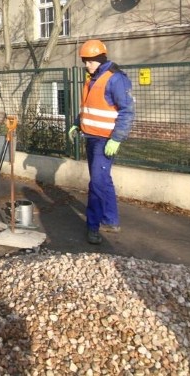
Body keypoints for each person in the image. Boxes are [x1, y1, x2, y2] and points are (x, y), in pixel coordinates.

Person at [68, 39, 135, 245]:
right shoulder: (92, 79)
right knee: (103, 180)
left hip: (105, 140)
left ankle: (93, 226)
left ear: (100, 59)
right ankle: (111, 220)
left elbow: (127, 111)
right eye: (85, 61)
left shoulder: (116, 79)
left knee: (96, 182)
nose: (86, 65)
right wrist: (78, 124)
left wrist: (116, 139)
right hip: (90, 136)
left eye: (90, 61)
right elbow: (88, 106)